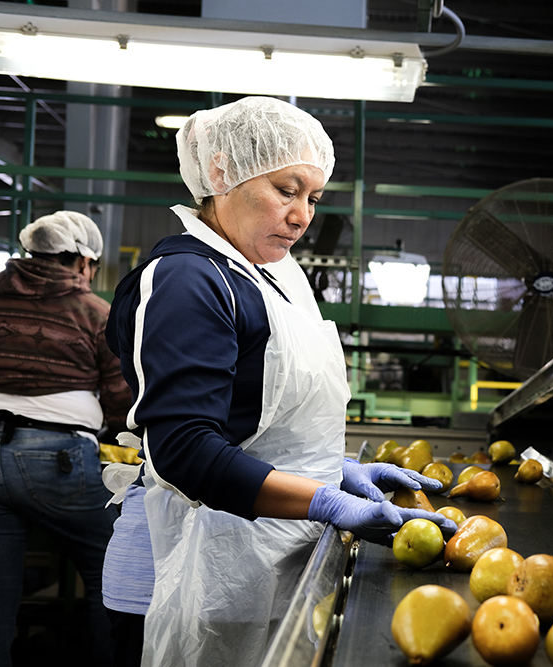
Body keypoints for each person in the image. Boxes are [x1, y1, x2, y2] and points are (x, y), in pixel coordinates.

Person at [100, 96, 456, 667]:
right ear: (221, 174)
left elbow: (255, 419)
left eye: (313, 198)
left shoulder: (273, 275)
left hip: (260, 559)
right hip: (186, 568)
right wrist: (324, 501)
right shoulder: (187, 279)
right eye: (286, 191)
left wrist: (329, 468)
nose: (302, 216)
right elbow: (183, 450)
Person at [0, 211, 130, 665]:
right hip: (58, 460)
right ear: (81, 263)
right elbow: (119, 397)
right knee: (111, 572)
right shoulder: (92, 311)